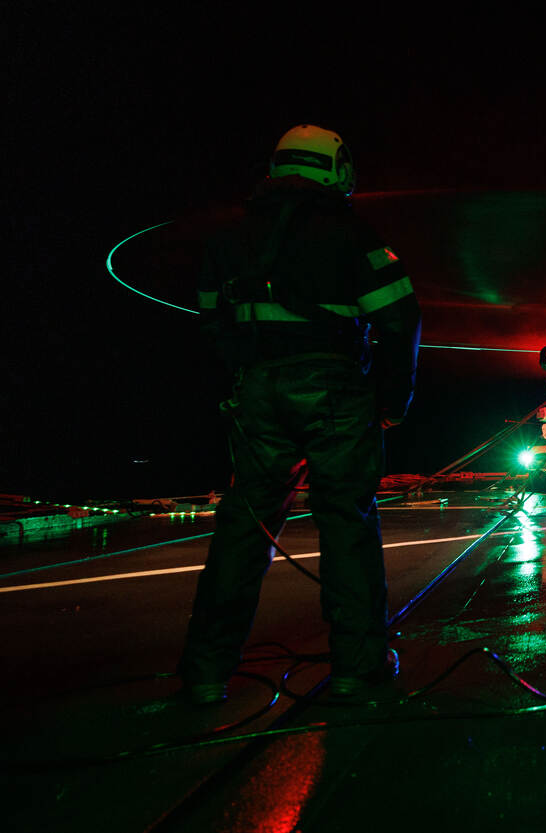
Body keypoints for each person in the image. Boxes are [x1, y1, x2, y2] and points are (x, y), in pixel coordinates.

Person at [179, 124, 422, 704]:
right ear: (337, 169)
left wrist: (249, 377)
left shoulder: (229, 239)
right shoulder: (353, 235)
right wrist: (392, 402)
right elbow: (400, 320)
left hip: (257, 394)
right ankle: (358, 668)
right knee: (347, 526)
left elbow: (210, 323)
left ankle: (205, 674)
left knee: (244, 530)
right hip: (334, 392)